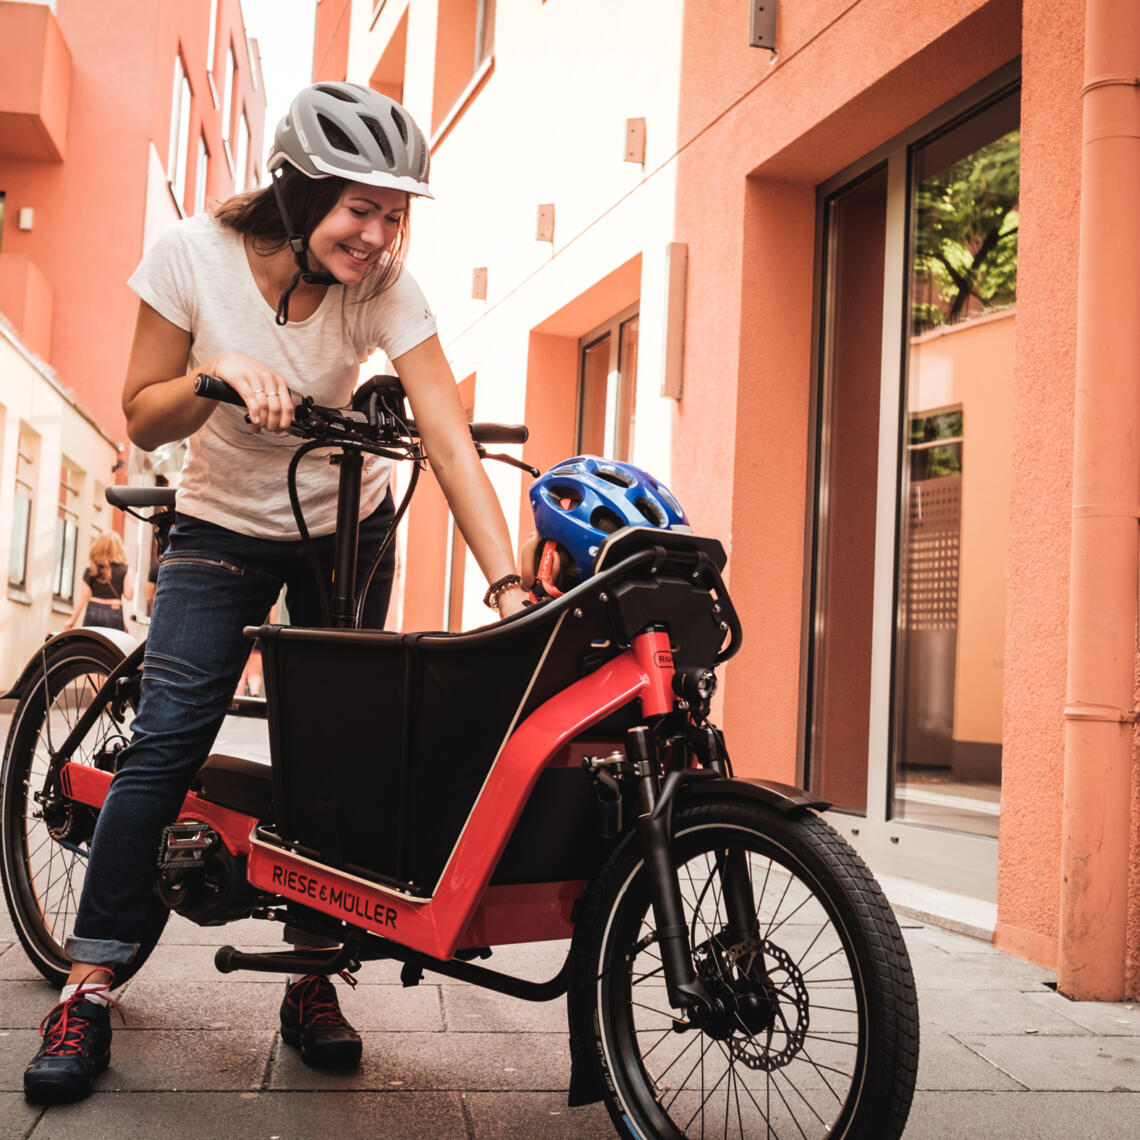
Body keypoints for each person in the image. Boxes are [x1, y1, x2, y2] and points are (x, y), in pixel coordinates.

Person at [24, 82, 526, 1106]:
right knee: (169, 737)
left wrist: (507, 579)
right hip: (221, 523)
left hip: (346, 522)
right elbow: (143, 415)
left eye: (397, 215)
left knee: (341, 758)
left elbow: (445, 431)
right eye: (361, 210)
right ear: (296, 193)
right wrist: (217, 374)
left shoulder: (384, 284)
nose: (380, 236)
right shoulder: (191, 255)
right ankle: (88, 984)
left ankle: (310, 982)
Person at [62, 532, 135, 632]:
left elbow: (84, 596)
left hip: (93, 610)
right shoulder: (125, 570)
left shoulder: (91, 568)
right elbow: (128, 596)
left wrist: (72, 619)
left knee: (90, 644)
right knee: (112, 646)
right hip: (114, 611)